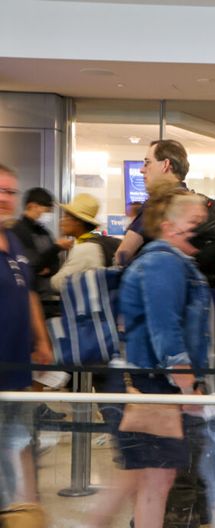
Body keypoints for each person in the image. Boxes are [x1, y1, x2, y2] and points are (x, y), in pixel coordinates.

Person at [88, 182, 212, 528]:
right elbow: (165, 328)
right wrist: (188, 385)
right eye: (196, 222)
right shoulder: (163, 262)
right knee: (154, 480)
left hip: (145, 381)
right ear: (170, 226)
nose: (203, 230)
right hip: (148, 383)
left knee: (145, 478)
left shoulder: (169, 260)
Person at [0, 164, 52, 528]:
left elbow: (29, 292)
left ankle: (16, 509)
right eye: (0, 191)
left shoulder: (13, 240)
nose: (6, 199)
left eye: (10, 192)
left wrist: (41, 340)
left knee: (16, 442)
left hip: (17, 370)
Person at [115, 139, 190, 265]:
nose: (142, 169)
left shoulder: (156, 204)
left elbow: (122, 254)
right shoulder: (191, 202)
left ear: (165, 164)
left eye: (147, 163)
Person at [11, 187, 72, 315]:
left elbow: (55, 265)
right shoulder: (17, 231)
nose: (48, 215)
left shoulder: (44, 232)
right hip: (27, 299)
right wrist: (55, 248)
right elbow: (29, 266)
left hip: (48, 299)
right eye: (47, 210)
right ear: (32, 206)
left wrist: (47, 268)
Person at [49, 193, 118, 290]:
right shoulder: (96, 242)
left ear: (78, 222)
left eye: (66, 217)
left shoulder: (86, 248)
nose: (62, 221)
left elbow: (59, 283)